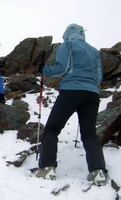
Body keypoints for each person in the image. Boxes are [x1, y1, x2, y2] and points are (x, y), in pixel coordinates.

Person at [33, 23, 107, 186]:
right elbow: (98, 77)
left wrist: (44, 70)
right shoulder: (94, 51)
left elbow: (61, 68)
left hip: (71, 91)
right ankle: (98, 171)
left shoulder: (67, 45)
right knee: (89, 133)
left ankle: (47, 168)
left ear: (67, 34)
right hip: (92, 95)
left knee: (52, 129)